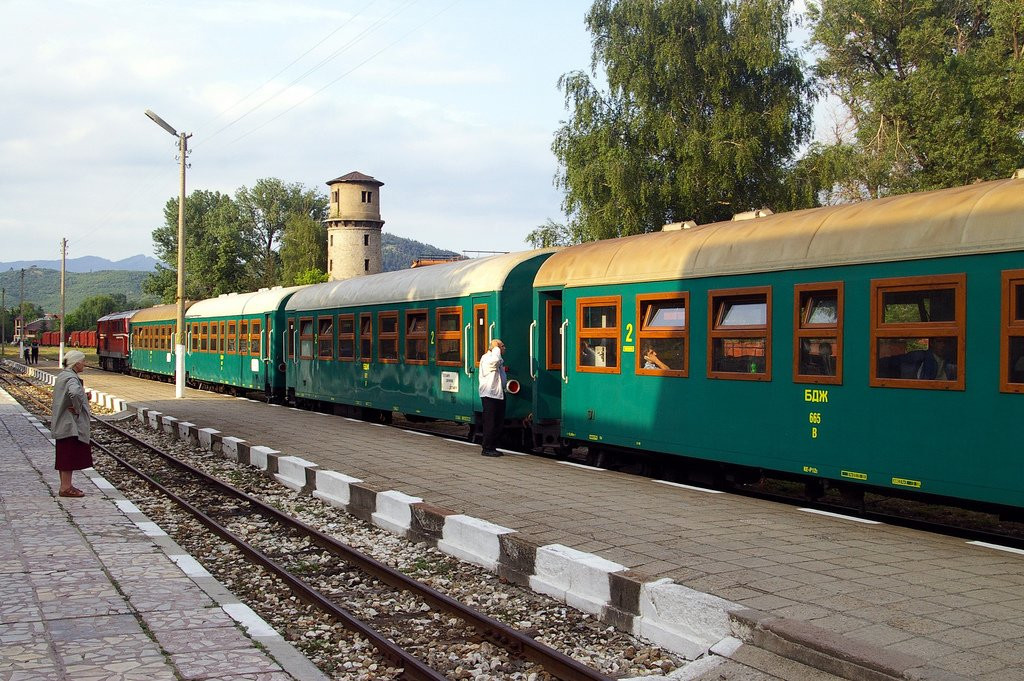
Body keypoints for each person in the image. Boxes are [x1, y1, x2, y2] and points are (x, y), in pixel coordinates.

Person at [50, 350, 93, 497]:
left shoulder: (63, 375)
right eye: (83, 361)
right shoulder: (72, 378)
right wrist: (77, 407)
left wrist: (84, 396)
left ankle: (65, 485)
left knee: (63, 455)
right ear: (76, 363)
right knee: (68, 455)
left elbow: (74, 393)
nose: (84, 364)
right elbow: (74, 393)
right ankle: (66, 488)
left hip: (63, 422)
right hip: (70, 423)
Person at [478, 338, 507, 457]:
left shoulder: (496, 358)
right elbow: (495, 361)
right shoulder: (487, 358)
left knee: (498, 422)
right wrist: (496, 347)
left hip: (498, 394)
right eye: (503, 346)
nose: (505, 348)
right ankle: (487, 448)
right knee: (490, 422)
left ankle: (493, 446)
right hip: (490, 395)